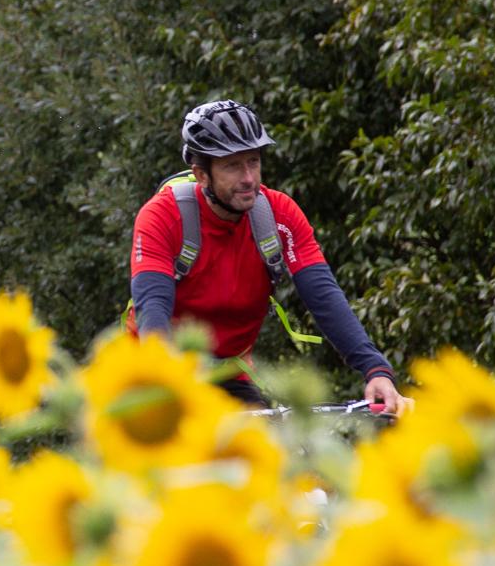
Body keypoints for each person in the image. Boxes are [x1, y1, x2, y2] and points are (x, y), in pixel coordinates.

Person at [127, 99, 407, 410]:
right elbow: (152, 304)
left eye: (253, 161)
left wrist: (375, 368)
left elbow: (323, 294)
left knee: (269, 455)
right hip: (153, 371)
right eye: (232, 165)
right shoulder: (163, 215)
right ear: (202, 175)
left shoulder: (280, 214)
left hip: (228, 374)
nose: (248, 177)